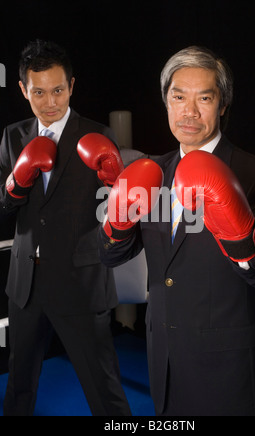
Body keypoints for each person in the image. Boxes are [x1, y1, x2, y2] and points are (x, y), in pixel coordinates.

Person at [98, 46, 255, 416]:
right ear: (166, 103)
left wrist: (241, 242)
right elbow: (111, 254)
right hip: (163, 357)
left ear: (222, 104)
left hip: (227, 368)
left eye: (204, 97)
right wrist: (116, 221)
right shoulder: (152, 171)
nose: (189, 111)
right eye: (178, 96)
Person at [0, 39, 131, 416]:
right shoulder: (12, 136)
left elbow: (118, 210)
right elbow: (4, 205)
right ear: (24, 90)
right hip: (25, 283)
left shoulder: (99, 134)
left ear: (71, 86)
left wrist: (117, 184)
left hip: (80, 282)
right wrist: (15, 182)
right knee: (18, 388)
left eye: (58, 90)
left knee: (105, 394)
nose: (50, 101)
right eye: (38, 92)